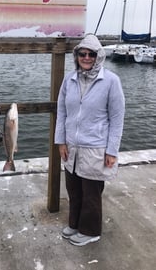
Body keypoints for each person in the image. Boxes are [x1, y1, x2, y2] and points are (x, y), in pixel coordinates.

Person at [54, 33, 125, 246]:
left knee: (91, 193)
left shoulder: (111, 81)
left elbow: (117, 118)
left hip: (95, 148)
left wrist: (112, 150)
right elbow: (62, 111)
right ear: (76, 56)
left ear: (99, 56)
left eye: (91, 54)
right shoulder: (69, 79)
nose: (86, 58)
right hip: (71, 148)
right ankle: (75, 224)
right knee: (74, 190)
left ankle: (91, 230)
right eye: (82, 54)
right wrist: (61, 141)